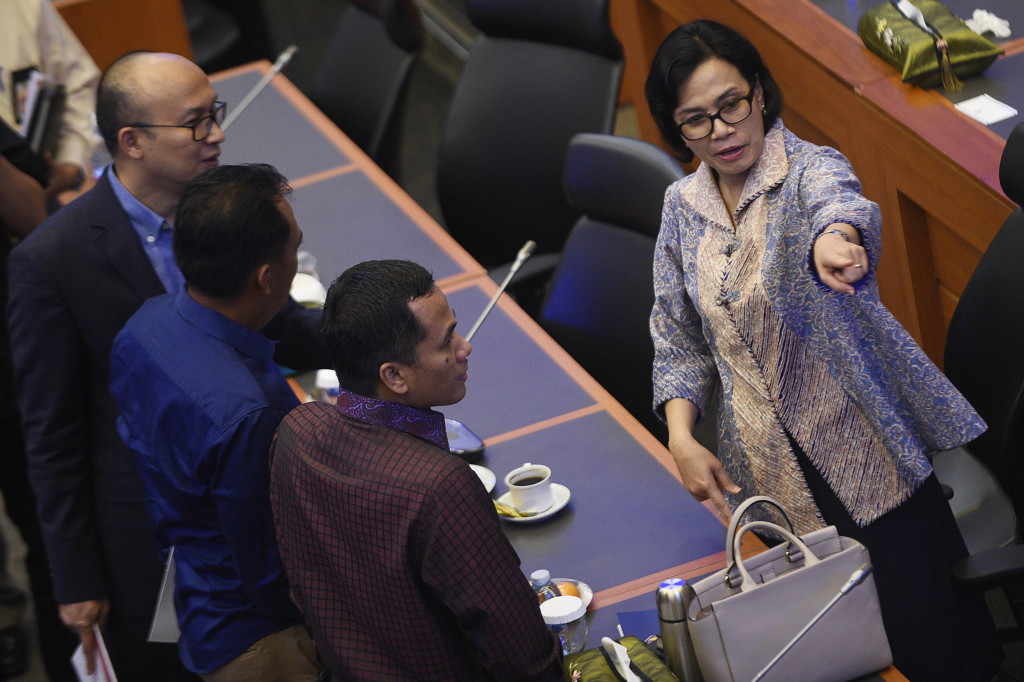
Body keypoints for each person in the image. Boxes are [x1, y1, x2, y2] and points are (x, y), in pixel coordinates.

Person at [645, 20, 1002, 682]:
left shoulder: (810, 168)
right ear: (678, 127)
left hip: (864, 460)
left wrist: (833, 240)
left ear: (758, 93)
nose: (721, 130)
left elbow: (840, 206)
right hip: (764, 470)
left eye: (731, 105)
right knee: (827, 650)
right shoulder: (680, 207)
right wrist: (680, 435)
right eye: (696, 120)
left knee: (934, 651)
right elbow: (675, 332)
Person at [6, 51, 329, 680]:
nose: (218, 134)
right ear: (132, 142)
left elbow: (277, 322)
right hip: (148, 531)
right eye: (196, 122)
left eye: (216, 114)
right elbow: (51, 437)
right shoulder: (53, 259)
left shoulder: (216, 209)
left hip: (252, 504)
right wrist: (74, 577)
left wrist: (369, 335)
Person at [270, 260, 564, 681]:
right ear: (394, 375)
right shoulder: (440, 487)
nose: (465, 347)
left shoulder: (296, 432)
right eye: (447, 342)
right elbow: (523, 658)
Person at [108, 163, 321, 681]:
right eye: (294, 246)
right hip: (265, 643)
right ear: (267, 276)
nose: (297, 258)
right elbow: (274, 572)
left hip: (195, 594)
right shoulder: (247, 416)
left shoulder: (143, 326)